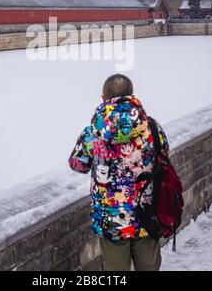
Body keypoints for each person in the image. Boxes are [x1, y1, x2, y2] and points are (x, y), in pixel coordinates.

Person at [68, 74, 169, 272]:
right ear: (131, 97)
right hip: (146, 214)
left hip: (110, 219)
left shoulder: (92, 134)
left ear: (103, 97)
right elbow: (164, 156)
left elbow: (78, 165)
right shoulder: (151, 127)